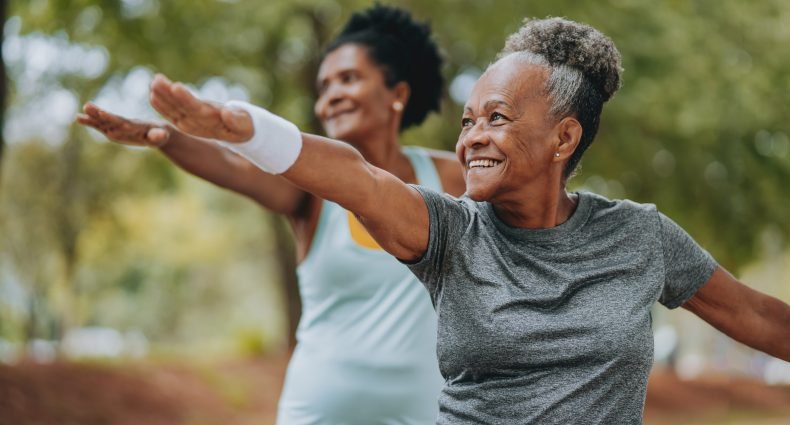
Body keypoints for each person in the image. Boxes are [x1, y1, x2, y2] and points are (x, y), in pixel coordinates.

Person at [141, 16, 790, 424]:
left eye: (497, 118)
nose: (472, 137)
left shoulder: (640, 237)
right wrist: (249, 131)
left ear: (564, 138)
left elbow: (758, 317)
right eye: (468, 120)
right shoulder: (447, 233)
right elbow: (357, 176)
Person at [77, 5, 465, 425]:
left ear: (398, 94)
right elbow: (235, 168)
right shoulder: (313, 194)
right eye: (324, 85)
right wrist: (168, 138)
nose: (330, 96)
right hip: (316, 412)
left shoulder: (446, 178)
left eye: (348, 78)